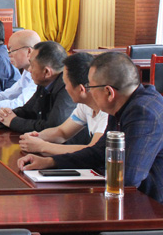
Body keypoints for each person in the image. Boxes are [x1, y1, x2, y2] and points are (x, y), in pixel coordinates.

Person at [18, 52, 163, 203]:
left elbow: (128, 176)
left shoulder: (143, 113)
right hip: (132, 197)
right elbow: (99, 151)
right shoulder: (123, 104)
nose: (89, 92)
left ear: (109, 92)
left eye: (91, 86)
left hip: (152, 204)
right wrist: (49, 162)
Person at [18, 52, 108, 155]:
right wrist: (37, 137)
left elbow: (93, 150)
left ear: (81, 90)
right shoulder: (85, 105)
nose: (65, 88)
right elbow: (62, 132)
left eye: (66, 84)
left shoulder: (107, 113)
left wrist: (42, 146)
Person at [0, 41, 80, 137]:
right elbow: (29, 110)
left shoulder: (67, 88)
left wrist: (13, 121)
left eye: (32, 65)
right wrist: (6, 115)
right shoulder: (45, 82)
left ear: (47, 72)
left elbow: (52, 127)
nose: (29, 70)